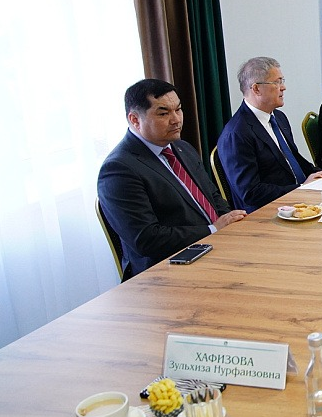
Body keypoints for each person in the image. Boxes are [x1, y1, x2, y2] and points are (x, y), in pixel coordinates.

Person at [98, 79, 246, 279]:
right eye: (163, 113)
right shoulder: (118, 169)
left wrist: (231, 224)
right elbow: (147, 239)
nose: (176, 119)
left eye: (178, 109)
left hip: (216, 247)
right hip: (168, 270)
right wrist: (212, 229)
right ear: (134, 119)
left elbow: (213, 197)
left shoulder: (182, 148)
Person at [218, 57, 322, 213]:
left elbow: (295, 160)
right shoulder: (237, 134)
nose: (283, 87)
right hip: (269, 213)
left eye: (282, 81)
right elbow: (250, 193)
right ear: (256, 89)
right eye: (277, 82)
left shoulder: (278, 117)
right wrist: (301, 188)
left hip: (299, 200)